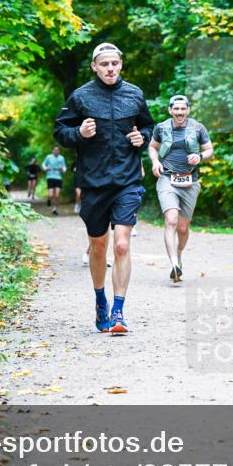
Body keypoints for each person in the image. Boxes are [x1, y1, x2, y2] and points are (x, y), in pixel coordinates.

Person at [54, 42, 154, 333]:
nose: (110, 69)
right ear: (94, 67)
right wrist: (79, 133)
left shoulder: (134, 94)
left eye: (115, 63)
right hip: (94, 181)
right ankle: (101, 301)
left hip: (127, 179)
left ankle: (119, 313)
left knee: (122, 244)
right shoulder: (80, 97)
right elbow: (61, 131)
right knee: (99, 247)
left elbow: (147, 127)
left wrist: (142, 138)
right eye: (105, 64)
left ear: (121, 64)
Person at [148, 95, 213, 282]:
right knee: (171, 220)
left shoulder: (198, 128)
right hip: (167, 178)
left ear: (188, 110)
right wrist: (155, 161)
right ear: (170, 110)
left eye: (183, 109)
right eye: (176, 109)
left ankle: (179, 256)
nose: (179, 112)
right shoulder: (161, 128)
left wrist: (200, 157)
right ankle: (173, 264)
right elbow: (152, 147)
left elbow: (209, 150)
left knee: (183, 228)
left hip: (190, 181)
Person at [42, 146, 67, 216]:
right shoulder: (48, 157)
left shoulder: (62, 158)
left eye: (57, 150)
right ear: (52, 151)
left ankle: (54, 209)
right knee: (51, 194)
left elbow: (64, 167)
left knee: (57, 195)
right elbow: (43, 164)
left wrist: (63, 169)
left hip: (58, 178)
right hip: (50, 177)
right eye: (55, 150)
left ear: (59, 151)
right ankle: (49, 199)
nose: (56, 151)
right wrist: (46, 168)